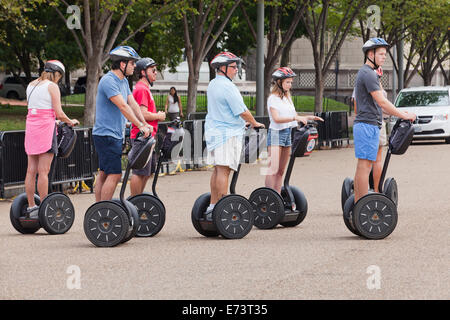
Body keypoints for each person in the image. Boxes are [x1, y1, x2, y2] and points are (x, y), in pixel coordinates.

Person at [353, 38, 416, 203]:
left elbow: (380, 103)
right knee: (365, 166)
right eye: (381, 54)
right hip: (366, 125)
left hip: (371, 124)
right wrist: (403, 115)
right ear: (370, 54)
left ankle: (359, 205)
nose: (384, 57)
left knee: (366, 165)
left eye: (385, 54)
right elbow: (382, 102)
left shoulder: (370, 73)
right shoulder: (368, 73)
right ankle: (360, 204)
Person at [204, 51, 265, 218]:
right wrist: (254, 123)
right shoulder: (228, 86)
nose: (236, 69)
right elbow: (243, 111)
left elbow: (223, 111)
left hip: (215, 131)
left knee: (217, 170)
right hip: (227, 134)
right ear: (222, 68)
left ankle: (213, 206)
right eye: (233, 66)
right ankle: (222, 208)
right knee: (224, 171)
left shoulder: (213, 84)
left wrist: (241, 122)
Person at [92, 45, 152, 202]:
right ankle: (104, 210)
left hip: (114, 134)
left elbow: (133, 104)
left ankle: (99, 208)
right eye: (132, 63)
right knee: (115, 174)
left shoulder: (123, 81)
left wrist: (144, 123)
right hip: (106, 134)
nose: (134, 66)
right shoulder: (108, 81)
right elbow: (123, 106)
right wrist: (139, 126)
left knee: (105, 173)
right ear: (122, 64)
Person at [24, 60, 79, 217]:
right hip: (45, 131)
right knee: (43, 171)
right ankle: (44, 206)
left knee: (30, 171)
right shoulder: (52, 86)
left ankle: (31, 206)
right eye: (59, 76)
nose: (59, 80)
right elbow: (59, 113)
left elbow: (36, 109)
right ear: (57, 73)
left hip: (31, 129)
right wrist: (70, 121)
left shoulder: (31, 85)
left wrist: (52, 119)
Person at [265, 67, 323, 193]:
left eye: (291, 82)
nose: (290, 85)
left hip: (287, 133)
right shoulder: (272, 98)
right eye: (287, 82)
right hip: (276, 133)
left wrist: (308, 117)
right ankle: (268, 197)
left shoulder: (287, 98)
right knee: (272, 169)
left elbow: (294, 114)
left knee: (281, 170)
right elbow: (276, 118)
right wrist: (295, 117)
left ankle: (277, 197)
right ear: (279, 82)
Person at [129, 57, 166, 196]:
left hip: (148, 136)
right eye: (153, 70)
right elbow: (142, 114)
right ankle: (134, 201)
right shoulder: (141, 89)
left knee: (146, 172)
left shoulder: (144, 89)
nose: (156, 73)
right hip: (141, 136)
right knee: (139, 172)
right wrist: (158, 116)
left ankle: (138, 200)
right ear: (144, 72)